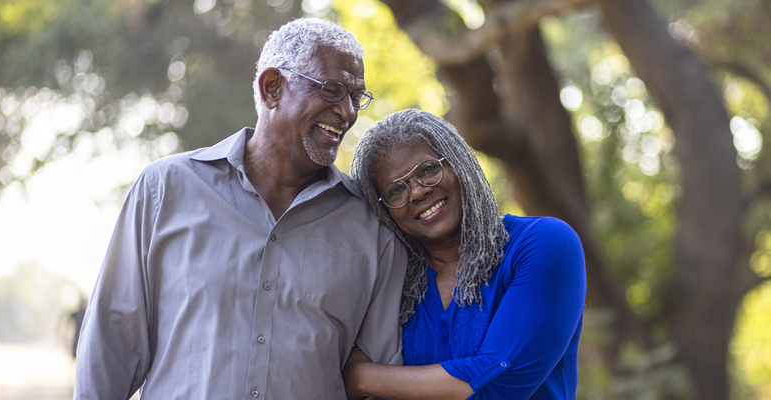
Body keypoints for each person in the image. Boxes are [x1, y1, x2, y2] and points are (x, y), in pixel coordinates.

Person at [74, 18, 407, 399]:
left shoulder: (372, 226)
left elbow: (381, 378)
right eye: (333, 90)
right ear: (272, 88)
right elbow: (111, 343)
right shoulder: (165, 189)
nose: (348, 113)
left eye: (356, 97)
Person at [345, 109, 586, 399]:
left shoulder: (543, 244)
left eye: (428, 169)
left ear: (458, 163)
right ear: (384, 212)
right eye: (396, 190)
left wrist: (361, 377)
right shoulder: (393, 286)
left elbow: (495, 386)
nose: (418, 192)